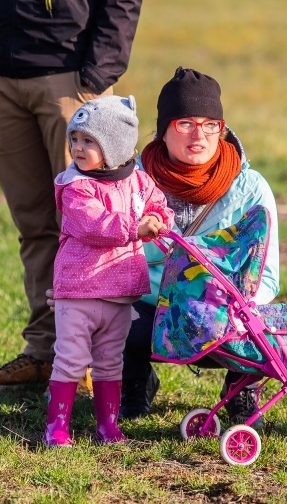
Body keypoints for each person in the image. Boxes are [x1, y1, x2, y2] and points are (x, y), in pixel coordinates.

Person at [0, 0, 143, 391]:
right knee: (34, 225)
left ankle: (98, 363)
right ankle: (44, 354)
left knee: (88, 225)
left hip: (71, 81)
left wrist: (95, 75)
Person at [119, 66, 282, 422]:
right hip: (151, 308)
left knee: (265, 328)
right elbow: (114, 256)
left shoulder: (251, 188)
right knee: (111, 318)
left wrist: (229, 307)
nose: (200, 135)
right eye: (186, 123)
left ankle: (241, 391)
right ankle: (134, 385)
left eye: (211, 124)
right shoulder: (132, 182)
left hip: (222, 313)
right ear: (163, 129)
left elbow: (267, 276)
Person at [44, 95, 174, 446]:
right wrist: (136, 227)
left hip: (119, 292)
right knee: (71, 359)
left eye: (89, 141)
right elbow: (93, 224)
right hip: (79, 290)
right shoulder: (75, 186)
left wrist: (157, 219)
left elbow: (159, 206)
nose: (78, 148)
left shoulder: (138, 182)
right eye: (75, 139)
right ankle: (57, 428)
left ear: (115, 147)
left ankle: (108, 426)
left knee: (109, 362)